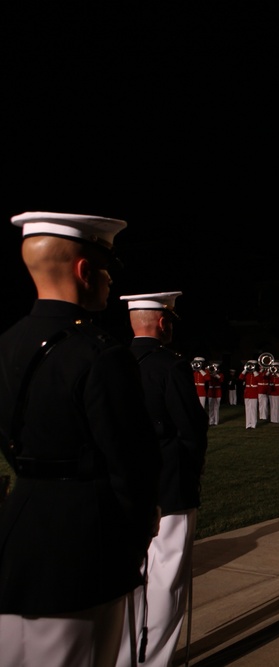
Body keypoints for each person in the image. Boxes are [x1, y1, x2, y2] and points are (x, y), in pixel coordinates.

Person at [0, 212, 161, 667]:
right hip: (85, 547)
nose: (109, 282)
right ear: (84, 271)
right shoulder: (102, 354)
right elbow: (132, 465)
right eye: (107, 270)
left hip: (18, 538)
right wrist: (137, 532)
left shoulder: (7, 344)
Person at [116, 291, 208, 667]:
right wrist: (193, 469)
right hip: (170, 484)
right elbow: (192, 428)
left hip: (124, 486)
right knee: (166, 578)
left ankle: (124, 657)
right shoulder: (171, 365)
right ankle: (154, 661)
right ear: (162, 321)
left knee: (128, 581)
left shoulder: (113, 360)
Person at [238, 361, 262, 429]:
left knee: (253, 409)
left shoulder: (257, 374)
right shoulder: (247, 374)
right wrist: (245, 369)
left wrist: (254, 370)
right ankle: (248, 424)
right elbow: (240, 377)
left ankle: (253, 424)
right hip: (247, 393)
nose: (251, 367)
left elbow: (259, 379)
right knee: (247, 409)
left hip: (254, 392)